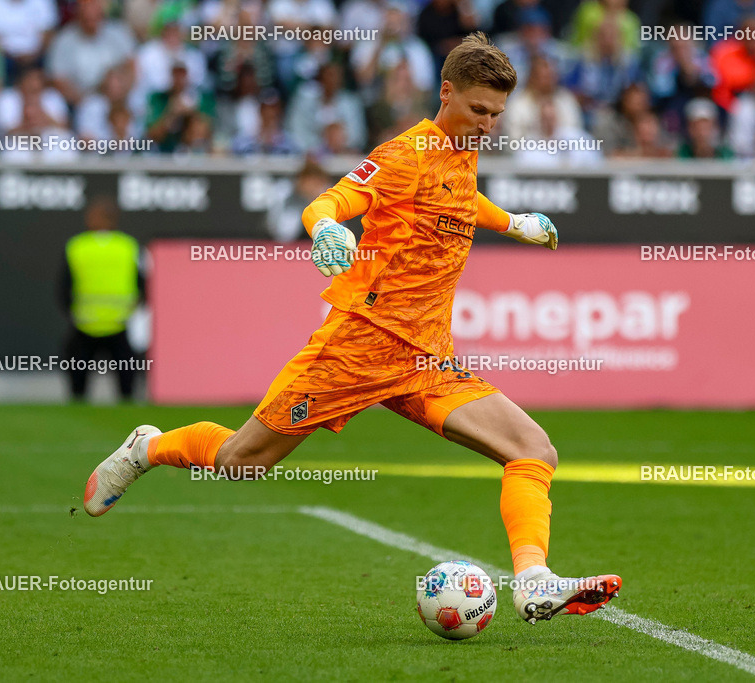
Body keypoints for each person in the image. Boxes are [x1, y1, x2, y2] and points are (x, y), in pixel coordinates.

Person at [83, 32, 621, 625]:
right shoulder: (403, 154)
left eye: (496, 114)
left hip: (427, 359)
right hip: (359, 347)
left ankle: (534, 581)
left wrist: (511, 221)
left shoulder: (464, 148)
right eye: (477, 110)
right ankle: (147, 448)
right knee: (243, 460)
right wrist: (324, 229)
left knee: (533, 449)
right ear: (446, 94)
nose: (487, 124)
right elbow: (331, 200)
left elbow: (459, 201)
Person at [59, 196, 145, 401]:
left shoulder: (78, 246)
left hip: (84, 322)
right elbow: (141, 283)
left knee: (77, 378)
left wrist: (72, 312)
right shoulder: (128, 246)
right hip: (118, 321)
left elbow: (64, 287)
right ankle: (127, 406)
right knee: (126, 378)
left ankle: (78, 401)